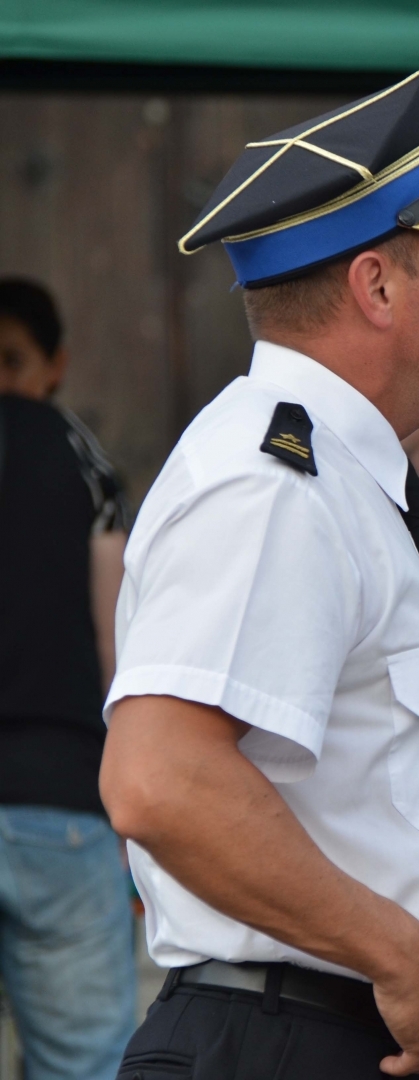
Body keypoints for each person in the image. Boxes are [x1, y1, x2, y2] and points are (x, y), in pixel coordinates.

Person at [100, 70, 419, 1078]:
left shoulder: (331, 472)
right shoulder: (276, 484)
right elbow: (159, 779)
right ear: (375, 286)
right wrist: (405, 958)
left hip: (316, 1034)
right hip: (283, 1039)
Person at [0, 278, 134, 1080]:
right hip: (62, 806)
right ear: (58, 365)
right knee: (87, 1066)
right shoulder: (84, 461)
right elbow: (118, 647)